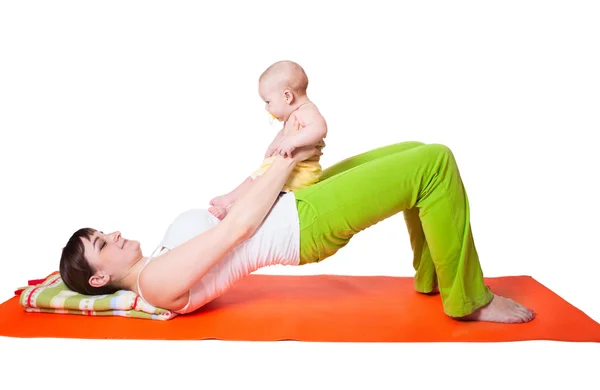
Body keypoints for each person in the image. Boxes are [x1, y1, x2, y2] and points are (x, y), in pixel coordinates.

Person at [59, 141, 536, 324]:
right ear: (100, 279)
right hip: (305, 224)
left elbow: (232, 213)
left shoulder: (159, 256)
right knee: (433, 165)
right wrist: (284, 160)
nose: (114, 234)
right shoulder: (156, 282)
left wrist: (269, 167)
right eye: (102, 244)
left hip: (293, 205)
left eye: (103, 232)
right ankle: (467, 300)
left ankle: (434, 278)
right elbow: (241, 229)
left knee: (416, 151)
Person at [208, 60, 327, 220]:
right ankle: (229, 199)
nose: (267, 108)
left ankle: (231, 211)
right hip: (287, 166)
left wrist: (293, 142)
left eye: (268, 102)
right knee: (252, 179)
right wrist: (273, 147)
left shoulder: (307, 111)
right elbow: (283, 134)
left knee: (259, 188)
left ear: (287, 96)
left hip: (301, 172)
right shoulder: (293, 115)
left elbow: (319, 129)